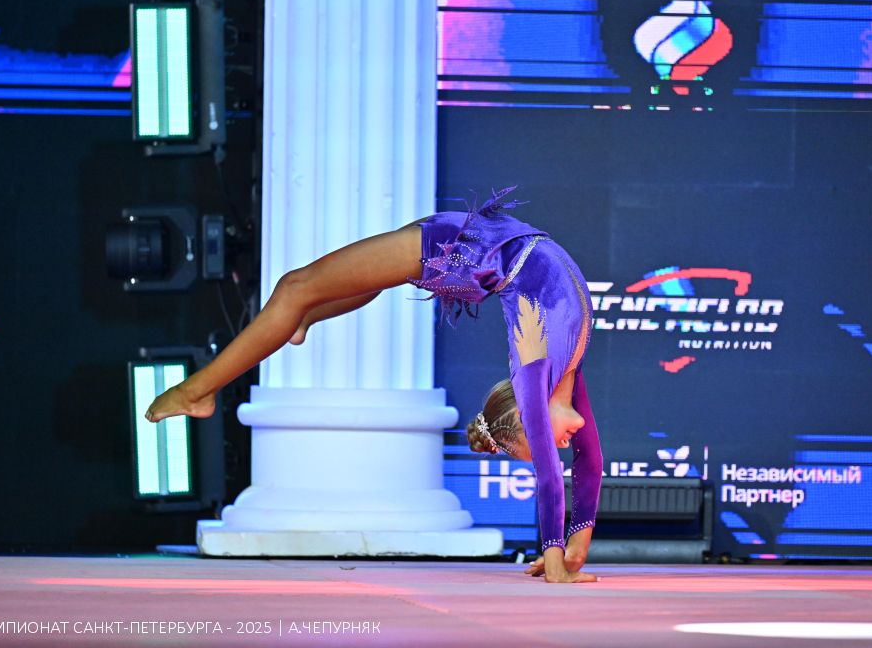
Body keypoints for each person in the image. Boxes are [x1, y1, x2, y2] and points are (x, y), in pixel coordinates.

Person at [144, 187, 602, 583]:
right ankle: (200, 391)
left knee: (318, 286)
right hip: (465, 244)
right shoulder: (538, 373)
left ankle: (297, 320)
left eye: (551, 444)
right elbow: (554, 476)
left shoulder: (556, 373)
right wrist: (557, 555)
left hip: (475, 246)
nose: (560, 446)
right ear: (527, 416)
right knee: (295, 287)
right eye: (547, 442)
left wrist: (573, 550)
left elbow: (588, 462)